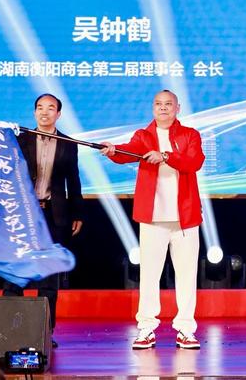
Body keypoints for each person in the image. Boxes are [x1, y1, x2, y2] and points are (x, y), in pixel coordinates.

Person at [100, 90, 205, 350]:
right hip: (152, 218)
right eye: (158, 104)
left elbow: (194, 162)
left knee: (187, 275)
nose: (163, 108)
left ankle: (186, 329)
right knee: (149, 275)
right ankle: (146, 328)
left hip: (185, 218)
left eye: (168, 104)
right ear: (152, 108)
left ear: (178, 108)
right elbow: (128, 152)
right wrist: (113, 151)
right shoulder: (143, 136)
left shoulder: (190, 135)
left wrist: (166, 156)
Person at [3, 93, 83, 348]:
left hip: (53, 213)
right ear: (34, 112)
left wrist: (77, 213)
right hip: (23, 213)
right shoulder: (19, 139)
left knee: (49, 278)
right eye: (40, 107)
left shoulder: (68, 143)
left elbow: (74, 181)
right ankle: (7, 330)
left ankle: (44, 332)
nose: (44, 112)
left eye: (50, 108)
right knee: (16, 272)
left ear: (58, 114)